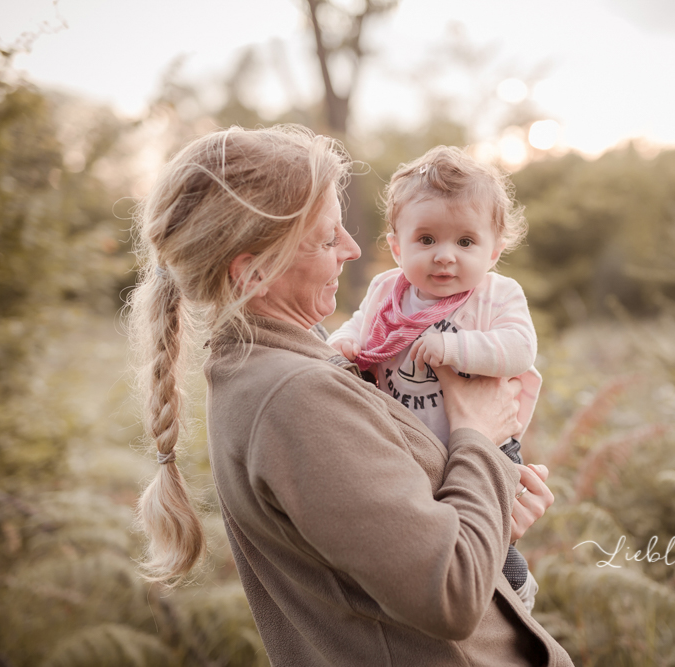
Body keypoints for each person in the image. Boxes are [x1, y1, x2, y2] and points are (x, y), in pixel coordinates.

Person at [128, 125, 573, 666]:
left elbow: (397, 540)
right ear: (255, 271)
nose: (352, 249)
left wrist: (491, 510)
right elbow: (451, 594)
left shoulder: (294, 359)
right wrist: (478, 435)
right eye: (325, 238)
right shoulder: (296, 397)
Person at [327, 145, 542, 611]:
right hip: (406, 443)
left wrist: (454, 347)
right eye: (426, 240)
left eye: (465, 242)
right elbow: (361, 325)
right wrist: (342, 343)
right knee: (424, 534)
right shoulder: (388, 291)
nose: (445, 256)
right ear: (397, 246)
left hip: (487, 441)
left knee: (491, 532)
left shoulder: (496, 295)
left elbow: (520, 348)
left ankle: (514, 597)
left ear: (494, 251)